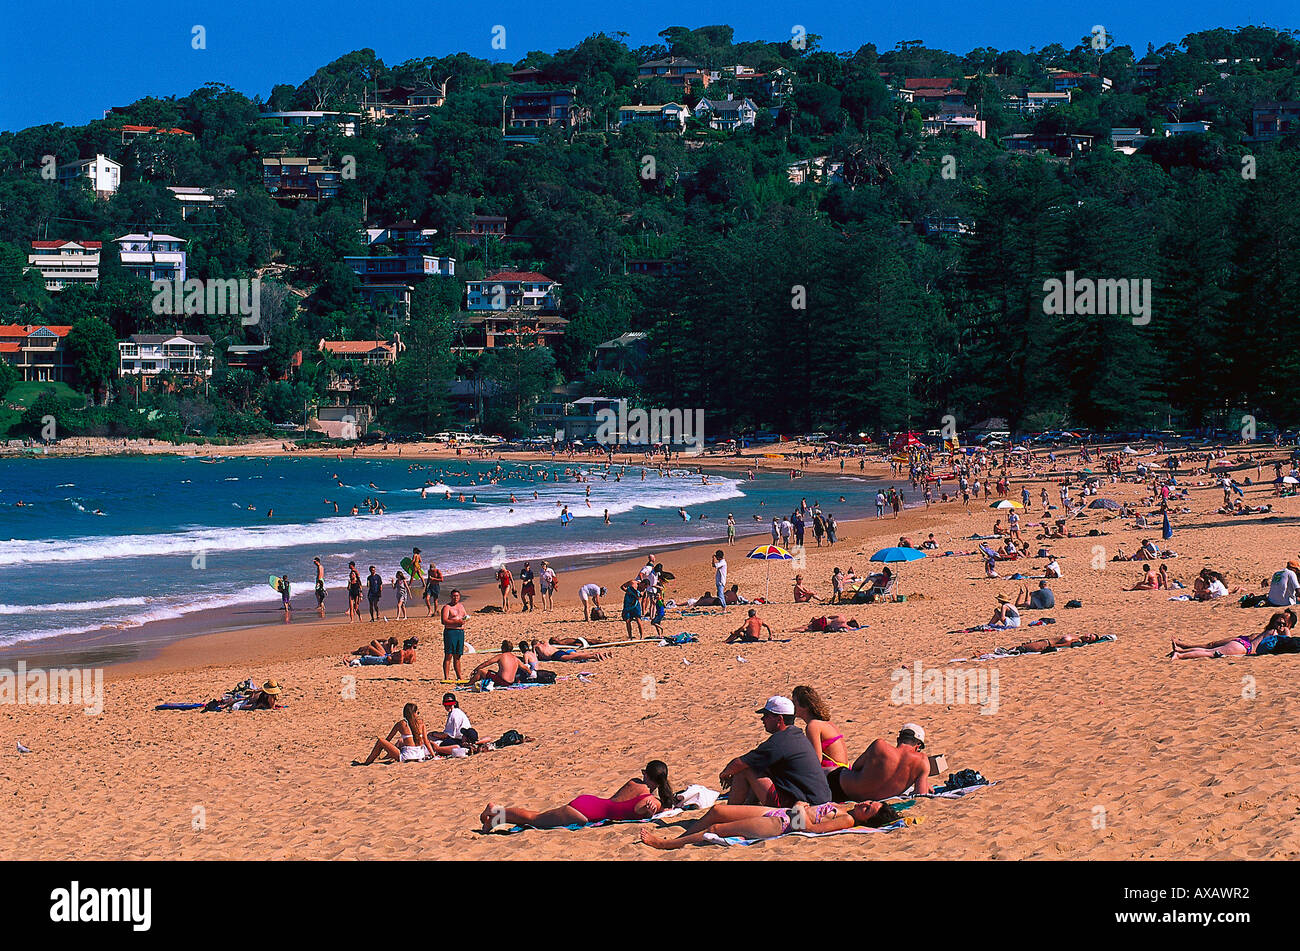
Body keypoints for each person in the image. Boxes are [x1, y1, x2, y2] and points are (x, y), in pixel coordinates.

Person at [481, 761, 672, 832]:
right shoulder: (651, 802)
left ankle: (494, 820)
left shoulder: (633, 782)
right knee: (535, 819)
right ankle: (495, 811)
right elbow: (661, 809)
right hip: (585, 814)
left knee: (537, 818)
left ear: (646, 775)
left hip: (591, 802)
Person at [639, 799, 900, 849]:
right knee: (718, 810)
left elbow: (809, 829)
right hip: (781, 811)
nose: (865, 804)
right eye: (870, 802)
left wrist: (800, 808)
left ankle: (666, 845)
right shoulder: (849, 806)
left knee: (717, 830)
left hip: (782, 824)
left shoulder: (847, 818)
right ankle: (686, 835)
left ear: (867, 819)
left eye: (869, 809)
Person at [718, 697, 833, 807]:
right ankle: (747, 805)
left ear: (779, 719)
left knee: (745, 769)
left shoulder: (780, 742)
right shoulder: (795, 735)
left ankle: (730, 811)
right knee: (760, 767)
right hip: (818, 799)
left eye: (766, 716)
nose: (762, 719)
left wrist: (725, 774)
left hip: (803, 804)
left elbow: (740, 763)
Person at [823, 724, 932, 802]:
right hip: (872, 802)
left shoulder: (880, 745)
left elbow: (856, 767)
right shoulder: (922, 762)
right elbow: (920, 795)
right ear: (918, 746)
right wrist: (923, 781)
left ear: (899, 739)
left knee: (828, 770)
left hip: (841, 789)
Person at [791, 685, 849, 769]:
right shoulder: (828, 723)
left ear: (805, 706)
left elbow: (817, 760)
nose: (792, 706)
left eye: (794, 702)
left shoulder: (813, 726)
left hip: (832, 771)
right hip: (844, 769)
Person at [356, 702, 432, 765]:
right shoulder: (421, 723)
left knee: (381, 741)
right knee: (401, 742)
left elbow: (388, 739)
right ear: (414, 713)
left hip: (408, 757)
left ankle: (367, 762)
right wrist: (433, 755)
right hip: (420, 756)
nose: (418, 715)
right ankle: (384, 757)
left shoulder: (401, 724)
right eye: (418, 713)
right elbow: (426, 741)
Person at [441, 590, 468, 681]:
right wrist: (456, 622)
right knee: (448, 655)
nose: (455, 598)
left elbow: (464, 616)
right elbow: (444, 621)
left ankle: (459, 676)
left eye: (457, 596)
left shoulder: (461, 606)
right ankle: (447, 677)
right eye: (454, 596)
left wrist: (464, 620)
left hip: (460, 632)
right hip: (450, 631)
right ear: (451, 596)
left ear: (459, 597)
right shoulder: (447, 607)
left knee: (458, 655)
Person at [536, 639, 612, 662]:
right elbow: (545, 640)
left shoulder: (538, 648)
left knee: (576, 657)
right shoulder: (547, 644)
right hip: (561, 651)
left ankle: (594, 656)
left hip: (556, 655)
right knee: (577, 654)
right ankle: (603, 654)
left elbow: (540, 658)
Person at [712, 550, 728, 615]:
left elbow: (714, 565)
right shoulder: (722, 562)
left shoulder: (722, 562)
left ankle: (724, 608)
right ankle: (723, 607)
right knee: (719, 594)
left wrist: (713, 559)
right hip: (719, 581)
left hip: (721, 581)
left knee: (721, 595)